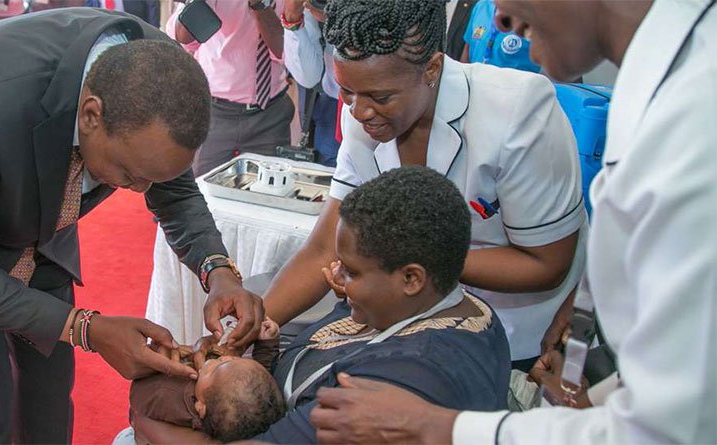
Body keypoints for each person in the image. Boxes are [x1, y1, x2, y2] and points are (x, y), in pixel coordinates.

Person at [0, 8, 264, 443]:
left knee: (50, 393)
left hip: (37, 215)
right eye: (130, 174)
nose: (140, 191)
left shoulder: (160, 80)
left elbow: (174, 192)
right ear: (91, 116)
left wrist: (219, 272)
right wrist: (87, 328)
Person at [309, 0, 717, 444]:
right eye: (350, 95)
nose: (499, 17)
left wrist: (437, 428)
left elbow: (670, 425)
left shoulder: (694, 119)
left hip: (511, 337)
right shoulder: (666, 86)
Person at [264, 0, 586, 372]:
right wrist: (259, 320)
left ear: (432, 68)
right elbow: (324, 247)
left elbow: (547, 263)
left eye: (380, 97)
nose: (358, 111)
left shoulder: (518, 112)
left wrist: (403, 262)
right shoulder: (366, 110)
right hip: (412, 319)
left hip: (513, 331)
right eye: (347, 92)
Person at [132, 166, 511, 443]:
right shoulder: (430, 304)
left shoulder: (407, 378)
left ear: (411, 278)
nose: (333, 275)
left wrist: (146, 426)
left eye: (352, 271)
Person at [166, 0, 295, 176]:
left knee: (269, 193)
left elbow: (286, 52)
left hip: (269, 114)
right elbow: (183, 37)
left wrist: (259, 5)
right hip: (214, 112)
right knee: (202, 191)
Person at [129, 318, 285, 443]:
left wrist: (160, 362)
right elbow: (257, 382)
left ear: (200, 407)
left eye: (217, 366)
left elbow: (138, 396)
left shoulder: (172, 397)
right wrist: (267, 344)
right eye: (234, 359)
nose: (223, 357)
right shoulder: (233, 409)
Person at [282, 0, 341, 166]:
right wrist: (293, 18)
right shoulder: (312, 7)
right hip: (334, 106)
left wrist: (340, 18)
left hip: (386, 102)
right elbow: (308, 77)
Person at [460, 0, 539, 73]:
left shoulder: (536, 14)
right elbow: (468, 50)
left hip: (515, 86)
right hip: (474, 85)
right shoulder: (482, 5)